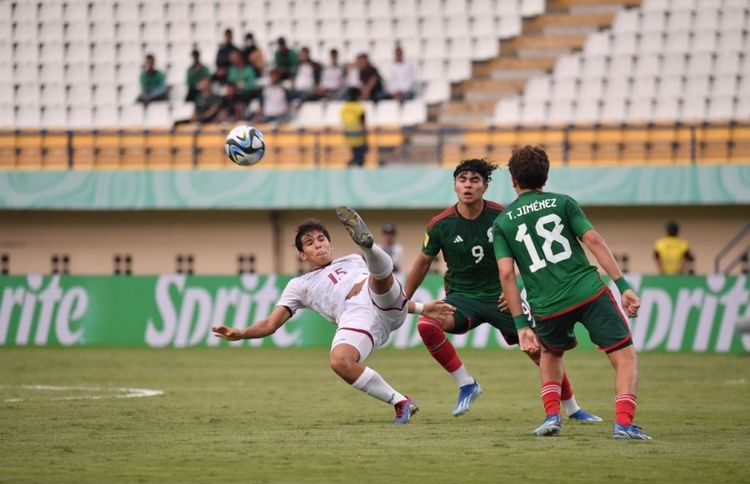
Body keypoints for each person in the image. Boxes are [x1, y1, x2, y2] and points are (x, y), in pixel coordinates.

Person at [212, 208, 456, 424]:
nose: (318, 244)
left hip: (381, 298)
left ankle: (368, 245)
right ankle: (401, 402)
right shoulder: (299, 285)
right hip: (355, 317)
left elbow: (391, 298)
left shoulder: (352, 259)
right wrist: (240, 333)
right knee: (339, 362)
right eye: (309, 242)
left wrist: (422, 308)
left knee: (377, 278)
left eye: (321, 239)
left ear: (330, 244)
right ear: (302, 254)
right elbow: (270, 324)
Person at [404, 158, 601, 423]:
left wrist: (515, 288)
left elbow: (526, 255)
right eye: (462, 180)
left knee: (541, 352)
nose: (468, 185)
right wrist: (403, 298)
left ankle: (573, 408)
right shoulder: (440, 224)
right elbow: (423, 261)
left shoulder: (503, 217)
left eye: (475, 180)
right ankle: (467, 384)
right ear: (454, 187)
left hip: (503, 298)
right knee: (427, 325)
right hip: (462, 299)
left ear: (485, 187)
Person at [493, 145, 650, 440]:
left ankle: (552, 416)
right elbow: (593, 240)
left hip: (546, 304)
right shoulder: (563, 203)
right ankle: (624, 424)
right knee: (624, 357)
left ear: (513, 179)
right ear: (545, 177)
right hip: (588, 292)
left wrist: (521, 325)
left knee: (551, 354)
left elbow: (505, 274)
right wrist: (623, 286)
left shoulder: (502, 222)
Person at [340, 87, 368, 167]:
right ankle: (354, 165)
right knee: (360, 156)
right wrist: (365, 138)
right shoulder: (359, 107)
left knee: (355, 153)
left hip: (348, 134)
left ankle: (351, 162)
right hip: (358, 134)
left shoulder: (344, 107)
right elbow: (362, 122)